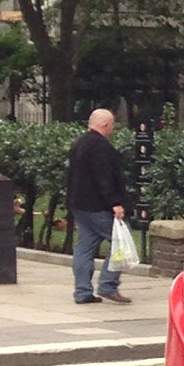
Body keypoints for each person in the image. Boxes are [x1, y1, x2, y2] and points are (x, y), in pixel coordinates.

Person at [66, 109, 131, 305]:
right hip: (98, 205)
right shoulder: (100, 146)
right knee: (121, 241)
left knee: (85, 246)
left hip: (79, 204)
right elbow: (104, 177)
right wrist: (115, 203)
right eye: (112, 125)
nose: (112, 129)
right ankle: (108, 284)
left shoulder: (79, 143)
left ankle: (82, 291)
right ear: (105, 125)